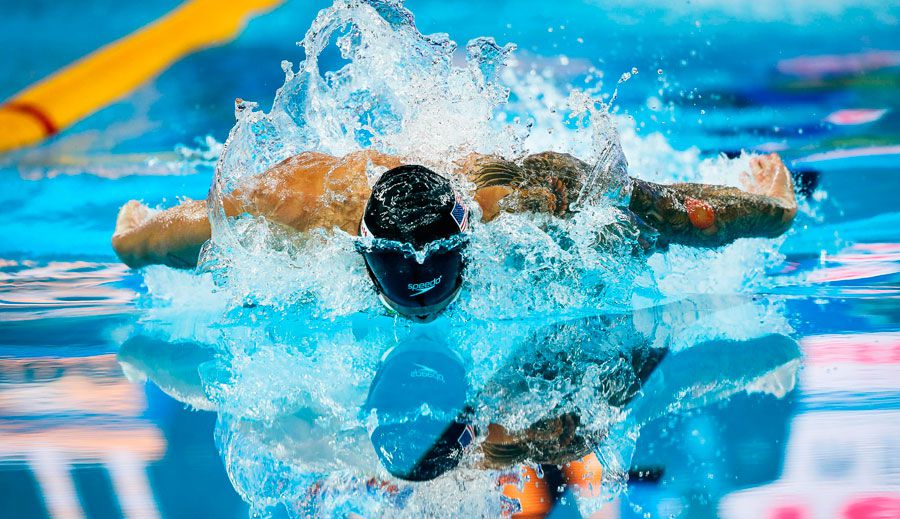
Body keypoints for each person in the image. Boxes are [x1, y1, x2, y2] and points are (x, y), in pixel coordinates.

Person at [112, 149, 797, 321]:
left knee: (620, 223)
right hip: (343, 193)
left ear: (470, 246)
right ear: (362, 256)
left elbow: (670, 211)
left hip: (486, 179)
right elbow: (152, 239)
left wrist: (765, 211)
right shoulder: (288, 210)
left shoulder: (523, 201)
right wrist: (134, 234)